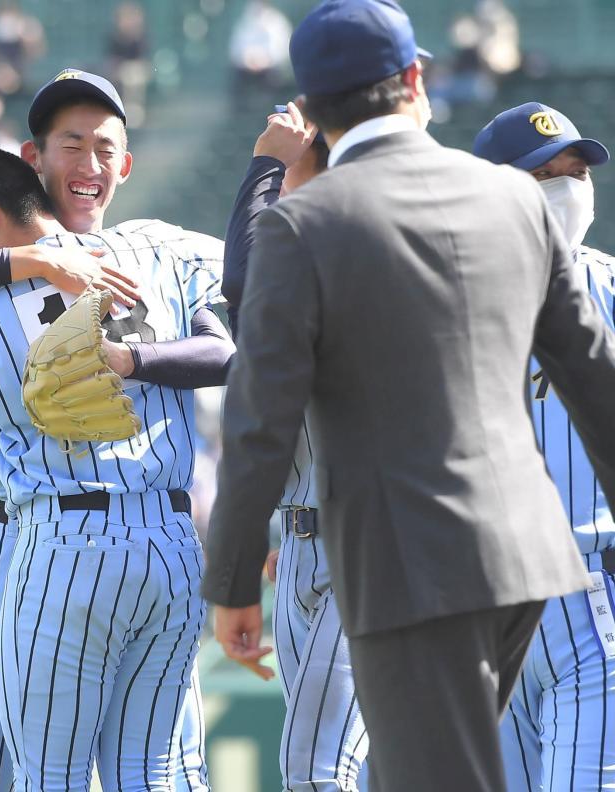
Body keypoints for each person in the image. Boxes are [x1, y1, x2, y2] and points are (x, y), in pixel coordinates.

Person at [201, 0, 615, 789]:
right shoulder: (513, 199)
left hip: (409, 566)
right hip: (529, 556)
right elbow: (596, 376)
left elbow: (260, 424)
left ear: (315, 109)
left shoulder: (304, 223)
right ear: (415, 81)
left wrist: (231, 580)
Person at [0, 70, 222, 792]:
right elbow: (241, 318)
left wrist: (123, 359)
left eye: (104, 146)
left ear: (125, 163)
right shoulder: (164, 255)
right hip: (165, 539)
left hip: (58, 537)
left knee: (44, 776)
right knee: (157, 773)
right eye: (73, 144)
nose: (90, 163)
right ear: (34, 160)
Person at [223, 104, 369, 790]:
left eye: (290, 174)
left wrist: (265, 163)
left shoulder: (355, 238)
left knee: (314, 770)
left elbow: (249, 290)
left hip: (367, 544)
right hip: (304, 541)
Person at [473, 102, 615, 792]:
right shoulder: (442, 297)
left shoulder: (612, 287)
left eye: (576, 172)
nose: (568, 186)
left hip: (589, 584)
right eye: (545, 174)